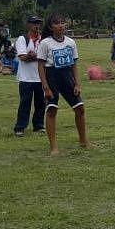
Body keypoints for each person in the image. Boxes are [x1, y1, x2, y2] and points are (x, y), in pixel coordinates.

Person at [37, 13, 89, 155]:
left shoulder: (71, 43)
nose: (61, 25)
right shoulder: (45, 43)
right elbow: (40, 66)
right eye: (57, 23)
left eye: (62, 22)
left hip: (67, 78)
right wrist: (45, 87)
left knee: (80, 109)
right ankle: (53, 147)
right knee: (52, 110)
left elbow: (74, 65)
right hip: (52, 77)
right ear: (50, 27)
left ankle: (83, 141)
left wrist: (77, 84)